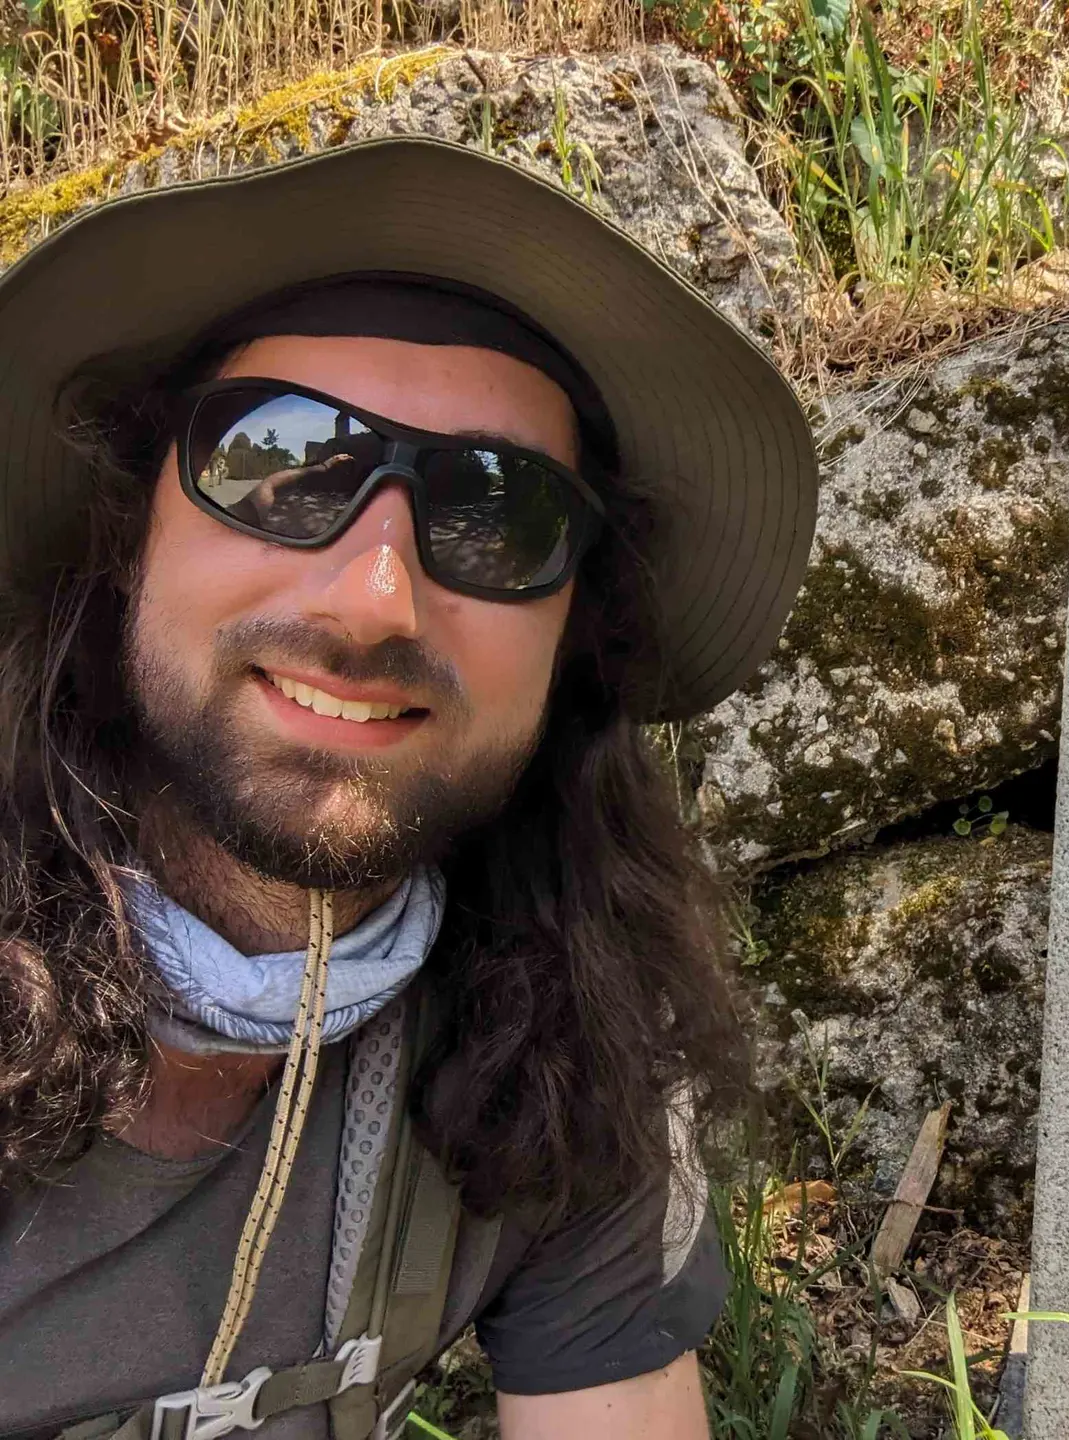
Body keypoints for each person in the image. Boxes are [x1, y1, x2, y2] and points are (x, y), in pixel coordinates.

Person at [0, 137, 818, 1439]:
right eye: (280, 465)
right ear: (127, 526)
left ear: (573, 635)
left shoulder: (567, 1040)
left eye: (500, 515)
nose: (375, 599)